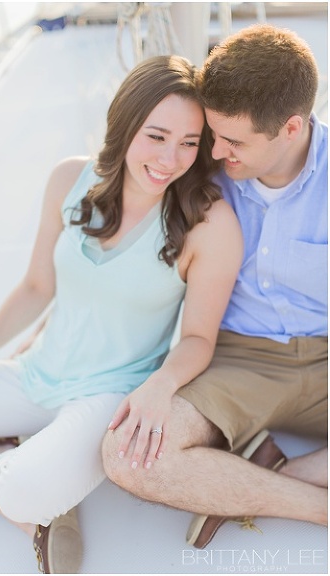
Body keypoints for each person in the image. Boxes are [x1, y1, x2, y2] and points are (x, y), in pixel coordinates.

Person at [0, 54, 243, 573]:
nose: (170, 159)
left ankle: (21, 476)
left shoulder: (209, 224)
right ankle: (27, 498)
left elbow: (197, 338)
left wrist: (158, 389)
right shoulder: (69, 179)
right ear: (125, 125)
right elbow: (37, 287)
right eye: (156, 136)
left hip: (111, 395)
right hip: (35, 373)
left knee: (23, 489)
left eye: (188, 143)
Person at [102, 24, 328, 550]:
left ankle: (265, 476)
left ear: (291, 128)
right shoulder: (199, 162)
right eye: (212, 134)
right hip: (236, 358)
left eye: (234, 141)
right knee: (126, 455)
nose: (214, 151)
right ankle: (316, 504)